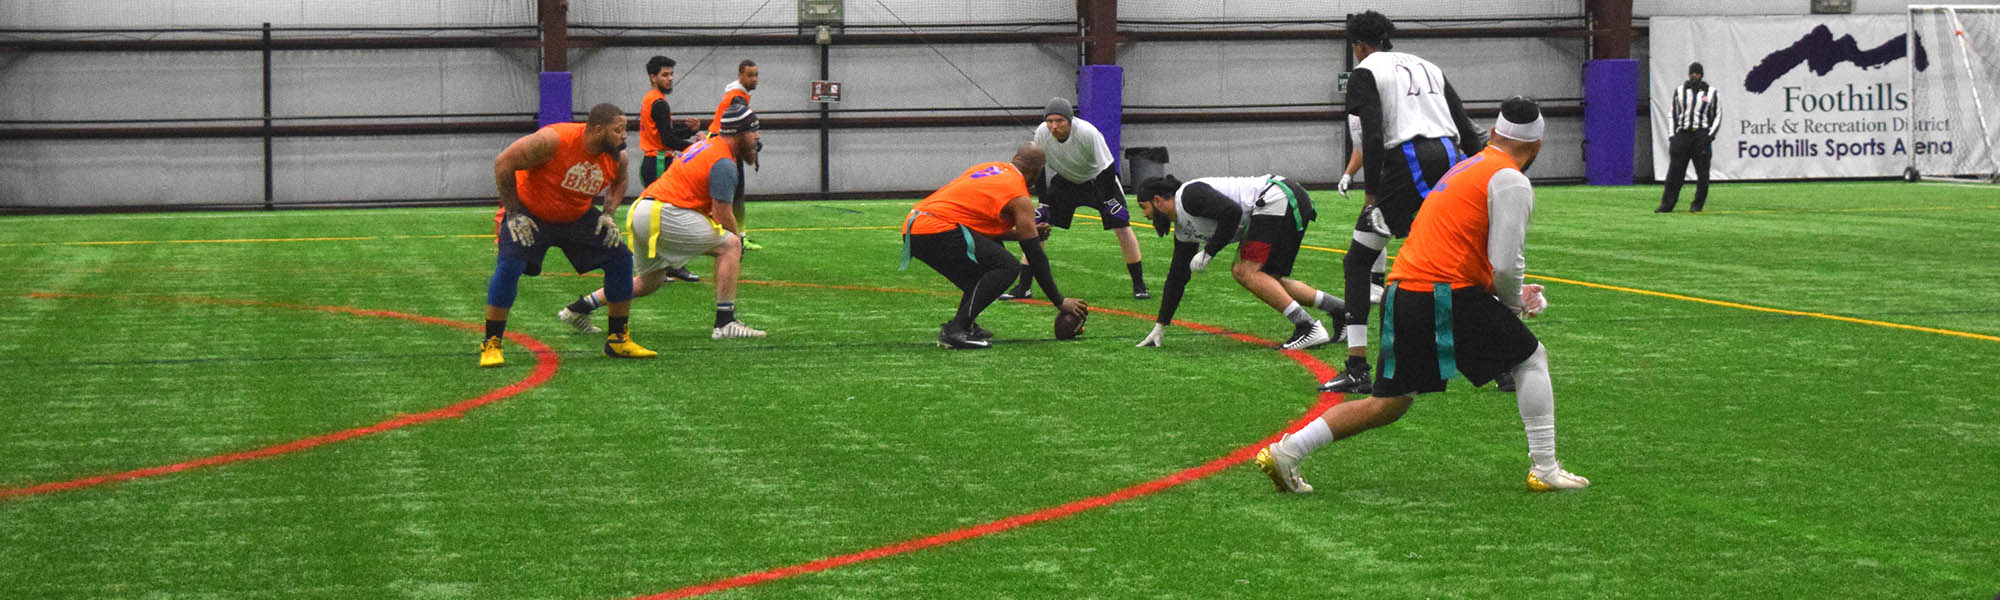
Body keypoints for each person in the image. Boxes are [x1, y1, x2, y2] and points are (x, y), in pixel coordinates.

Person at [1257, 97, 1591, 494]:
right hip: (1442, 292)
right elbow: (1505, 262)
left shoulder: (1468, 166)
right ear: (1536, 147)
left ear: (1496, 134)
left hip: (1406, 291)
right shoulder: (1510, 178)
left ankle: (1287, 451)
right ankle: (1546, 468)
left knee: (1388, 403)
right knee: (1531, 358)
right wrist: (1514, 298)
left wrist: (1510, 291)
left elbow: (1461, 249)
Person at [1320, 10, 1487, 394]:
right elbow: (1465, 126)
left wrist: (1372, 195)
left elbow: (1374, 136)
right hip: (1450, 157)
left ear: (1358, 45)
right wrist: (1477, 170)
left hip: (1409, 163)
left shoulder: (1366, 71)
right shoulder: (1428, 66)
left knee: (1358, 261)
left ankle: (1357, 366)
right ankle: (1502, 365)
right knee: (1454, 257)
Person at [558, 105, 767, 340]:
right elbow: (722, 214)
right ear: (739, 132)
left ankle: (580, 308)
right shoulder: (724, 162)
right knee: (730, 245)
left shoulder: (707, 146)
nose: (756, 136)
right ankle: (725, 321)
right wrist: (736, 241)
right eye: (753, 130)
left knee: (649, 281)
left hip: (643, 210)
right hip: (663, 212)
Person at [479, 103, 655, 367]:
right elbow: (503, 163)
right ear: (597, 130)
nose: (624, 136)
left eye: (625, 130)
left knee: (620, 258)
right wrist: (514, 213)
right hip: (531, 213)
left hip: (576, 215)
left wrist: (608, 213)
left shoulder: (618, 156)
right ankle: (492, 343)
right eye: (618, 130)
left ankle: (618, 340)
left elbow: (619, 182)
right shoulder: (553, 140)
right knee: (509, 265)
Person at [901, 143, 1086, 349]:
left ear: (1016, 158)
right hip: (939, 227)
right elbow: (1035, 255)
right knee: (1007, 266)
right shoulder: (1018, 194)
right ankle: (956, 330)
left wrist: (1020, 233)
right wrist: (1059, 301)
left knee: (984, 269)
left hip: (915, 226)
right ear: (1037, 171)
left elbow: (978, 224)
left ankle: (963, 325)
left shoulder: (989, 168)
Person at [1130, 174, 1344, 350]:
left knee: (1244, 271)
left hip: (1277, 197)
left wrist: (1209, 252)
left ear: (1157, 201)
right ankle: (1341, 310)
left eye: (1144, 207)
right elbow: (1177, 277)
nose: (1144, 214)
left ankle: (1307, 326)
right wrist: (1161, 325)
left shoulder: (1188, 196)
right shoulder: (1183, 229)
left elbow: (1231, 213)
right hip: (1282, 200)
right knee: (1267, 279)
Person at [1001, 97, 1150, 301]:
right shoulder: (1042, 133)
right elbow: (1040, 167)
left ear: (1070, 120)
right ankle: (1023, 287)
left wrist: (1109, 200)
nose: (1054, 126)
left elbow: (1107, 167)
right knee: (1037, 228)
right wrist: (1043, 201)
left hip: (1098, 180)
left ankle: (1139, 285)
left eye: (1059, 121)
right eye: (1050, 121)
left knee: (1122, 227)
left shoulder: (1087, 132)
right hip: (1065, 181)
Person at [637, 55, 703, 283]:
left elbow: (665, 135)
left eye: (671, 74)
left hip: (655, 161)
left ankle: (667, 266)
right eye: (665, 75)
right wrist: (697, 145)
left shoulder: (653, 99)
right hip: (658, 162)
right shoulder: (659, 103)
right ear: (652, 77)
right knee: (671, 214)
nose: (670, 78)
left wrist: (688, 131)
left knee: (664, 215)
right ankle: (670, 266)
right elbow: (667, 139)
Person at [709, 59, 763, 250]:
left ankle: (733, 234)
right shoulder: (737, 97)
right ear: (740, 75)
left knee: (731, 194)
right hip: (725, 148)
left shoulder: (738, 94)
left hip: (719, 145)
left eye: (756, 74)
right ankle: (737, 236)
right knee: (736, 195)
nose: (754, 79)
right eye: (750, 75)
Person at [1657, 61, 1720, 213]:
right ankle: (1667, 205)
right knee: (1675, 172)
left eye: (1697, 73)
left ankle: (1697, 205)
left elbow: (1717, 115)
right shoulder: (1680, 91)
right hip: (1683, 134)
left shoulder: (1711, 92)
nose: (1694, 76)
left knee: (1702, 174)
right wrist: (1673, 136)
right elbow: (1673, 113)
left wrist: (1709, 136)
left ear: (1701, 75)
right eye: (1692, 73)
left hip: (1700, 135)